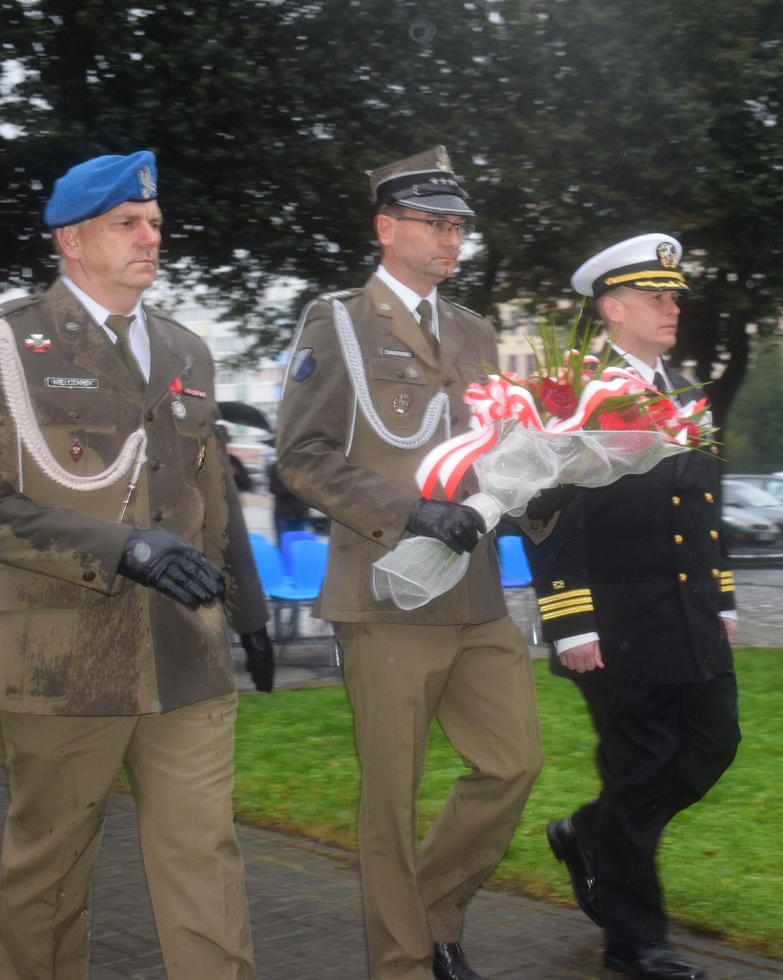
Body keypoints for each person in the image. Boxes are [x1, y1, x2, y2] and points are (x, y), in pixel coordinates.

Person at [0, 150, 274, 980]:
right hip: (61, 659)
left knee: (206, 862)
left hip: (185, 652)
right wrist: (122, 549)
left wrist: (252, 613)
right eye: (128, 223)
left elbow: (214, 499)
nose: (150, 238)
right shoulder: (6, 343)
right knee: (49, 876)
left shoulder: (186, 351)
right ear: (71, 240)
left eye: (155, 224)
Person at [277, 146, 553, 980]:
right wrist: (407, 512)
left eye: (459, 225)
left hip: (472, 594)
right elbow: (303, 454)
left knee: (514, 762)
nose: (452, 239)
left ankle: (432, 909)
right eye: (435, 223)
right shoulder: (338, 323)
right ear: (386, 228)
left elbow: (489, 450)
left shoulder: (471, 329)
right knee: (390, 802)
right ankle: (403, 961)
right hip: (386, 591)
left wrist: (540, 495)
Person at [525, 234, 740, 980]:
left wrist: (722, 594)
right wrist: (570, 620)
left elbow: (706, 503)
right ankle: (635, 943)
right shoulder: (577, 394)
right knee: (643, 770)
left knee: (713, 747)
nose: (673, 306)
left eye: (674, 295)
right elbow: (551, 513)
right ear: (613, 308)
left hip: (689, 615)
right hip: (614, 624)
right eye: (657, 296)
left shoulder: (683, 391)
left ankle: (590, 834)